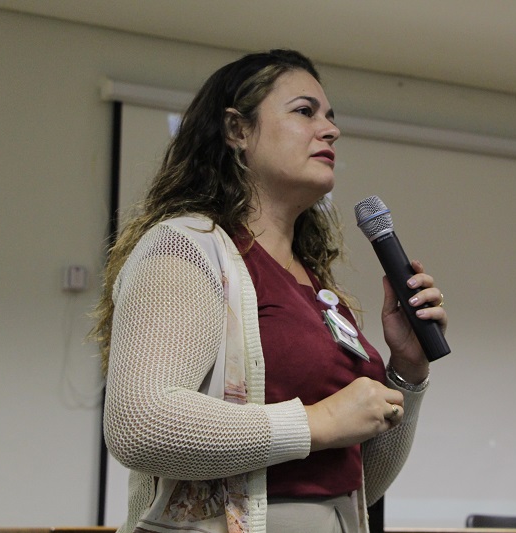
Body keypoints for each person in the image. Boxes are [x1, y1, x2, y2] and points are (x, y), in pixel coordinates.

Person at [91, 49, 447, 533]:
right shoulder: (187, 247)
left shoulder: (317, 287)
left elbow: (359, 481)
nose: (330, 130)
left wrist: (407, 368)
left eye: (330, 117)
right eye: (305, 112)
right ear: (237, 130)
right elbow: (140, 424)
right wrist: (318, 421)